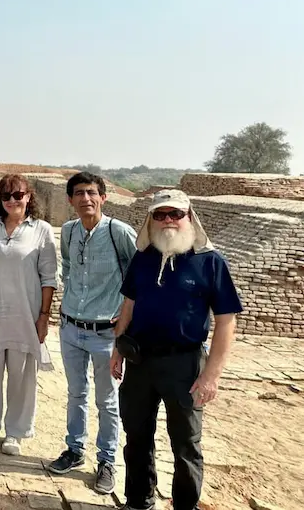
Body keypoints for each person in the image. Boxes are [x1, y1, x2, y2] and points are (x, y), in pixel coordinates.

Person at [110, 189, 242, 510]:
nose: (168, 220)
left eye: (175, 214)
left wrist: (211, 375)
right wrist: (117, 350)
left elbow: (226, 321)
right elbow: (128, 305)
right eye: (160, 214)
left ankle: (185, 505)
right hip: (140, 361)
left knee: (186, 443)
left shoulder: (210, 262)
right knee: (137, 435)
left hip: (185, 365)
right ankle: (139, 500)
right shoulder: (144, 259)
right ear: (151, 219)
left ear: (189, 216)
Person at [47, 172, 137, 495]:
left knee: (107, 400)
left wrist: (125, 316)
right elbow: (69, 267)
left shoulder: (118, 232)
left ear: (103, 197)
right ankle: (74, 449)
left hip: (105, 333)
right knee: (75, 393)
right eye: (79, 193)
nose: (86, 199)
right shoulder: (69, 231)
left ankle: (107, 460)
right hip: (72, 326)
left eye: (91, 192)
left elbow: (137, 276)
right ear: (70, 200)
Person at [0, 174, 57, 457]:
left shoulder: (41, 230)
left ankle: (16, 432)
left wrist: (44, 316)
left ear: (28, 196)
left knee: (22, 377)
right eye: (5, 196)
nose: (11, 201)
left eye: (17, 195)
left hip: (25, 315)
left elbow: (49, 277)